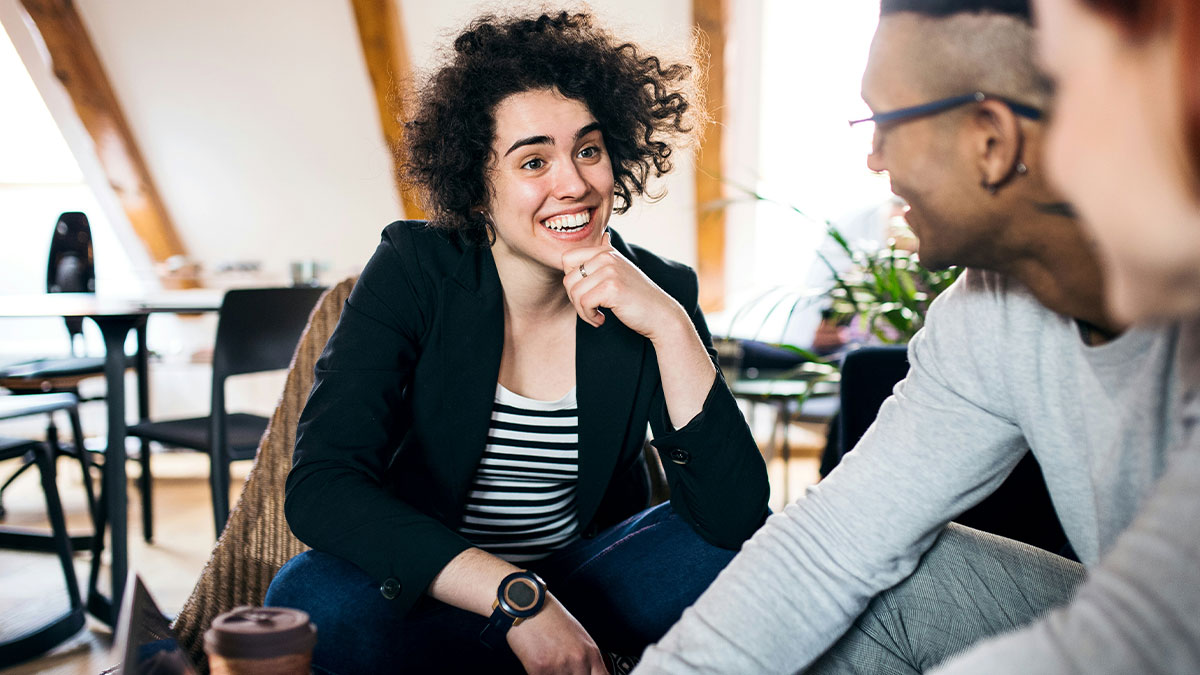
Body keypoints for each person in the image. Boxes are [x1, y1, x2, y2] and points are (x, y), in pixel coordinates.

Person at [635, 0, 1197, 672]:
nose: (872, 159)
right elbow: (833, 541)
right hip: (1144, 609)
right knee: (896, 571)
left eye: (884, 123)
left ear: (990, 140)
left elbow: (1146, 631)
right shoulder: (989, 310)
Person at [265, 11, 769, 675]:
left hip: (583, 581)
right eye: (534, 160)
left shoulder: (657, 290)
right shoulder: (416, 267)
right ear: (479, 186)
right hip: (434, 583)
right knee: (312, 597)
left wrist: (670, 324)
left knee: (738, 554)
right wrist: (518, 602)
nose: (575, 183)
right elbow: (322, 486)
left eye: (589, 150)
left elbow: (734, 517)